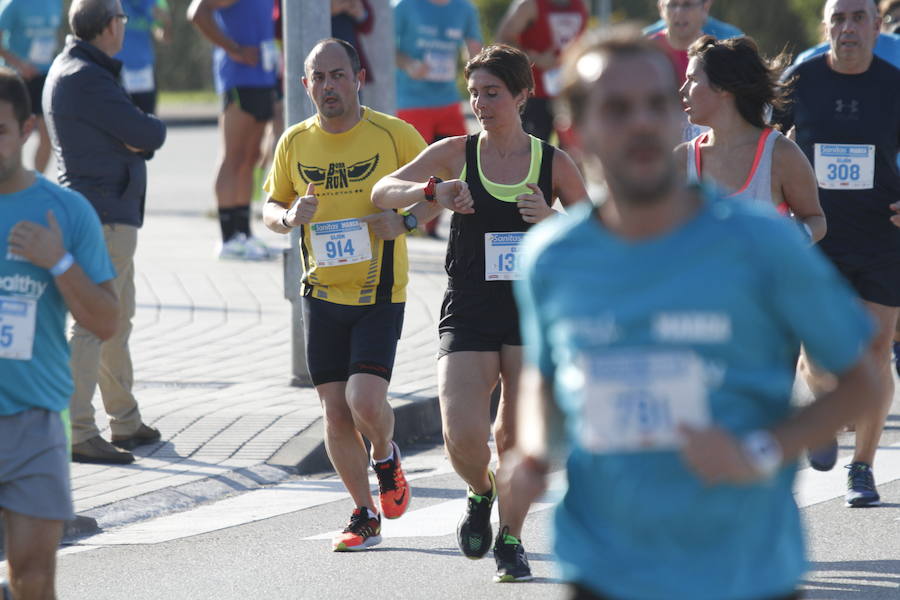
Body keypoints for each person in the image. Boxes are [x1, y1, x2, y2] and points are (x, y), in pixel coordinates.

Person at [503, 25, 881, 600]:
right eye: (617, 108)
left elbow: (865, 381)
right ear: (578, 127)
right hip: (603, 563)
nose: (642, 122)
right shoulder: (551, 258)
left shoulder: (763, 242)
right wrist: (533, 452)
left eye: (656, 103)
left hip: (742, 566)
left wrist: (761, 449)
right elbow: (544, 377)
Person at [372, 44, 587, 582]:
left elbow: (598, 235)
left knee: (515, 436)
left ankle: (511, 540)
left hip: (529, 313)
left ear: (521, 94)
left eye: (492, 93)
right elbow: (381, 192)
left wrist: (552, 220)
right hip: (468, 307)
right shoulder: (455, 152)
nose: (481, 103)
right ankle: (480, 491)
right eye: (474, 94)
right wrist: (433, 190)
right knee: (462, 433)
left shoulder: (552, 162)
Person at [262, 38, 436, 552]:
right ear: (305, 85)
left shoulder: (394, 135)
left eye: (338, 75)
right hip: (321, 293)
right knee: (335, 413)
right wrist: (289, 217)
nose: (329, 86)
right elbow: (271, 204)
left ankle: (385, 452)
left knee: (364, 399)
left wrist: (403, 220)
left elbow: (440, 193)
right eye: (319, 78)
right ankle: (364, 512)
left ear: (358, 76)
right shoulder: (295, 142)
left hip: (379, 293)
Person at [774, 0, 900, 507]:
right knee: (820, 357)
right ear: (825, 27)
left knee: (874, 353)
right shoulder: (799, 82)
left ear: (876, 25)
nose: (848, 28)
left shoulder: (894, 84)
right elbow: (765, 143)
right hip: (816, 238)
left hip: (882, 238)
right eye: (839, 19)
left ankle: (862, 469)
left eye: (858, 18)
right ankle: (820, 403)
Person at [0, 67, 117, 600]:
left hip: (34, 422)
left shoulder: (67, 212)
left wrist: (59, 261)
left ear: (26, 129)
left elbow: (106, 320)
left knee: (34, 576)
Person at [44, 0, 167, 465]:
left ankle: (125, 420)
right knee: (95, 323)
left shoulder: (77, 67)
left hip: (104, 210)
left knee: (116, 319)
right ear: (106, 27)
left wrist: (134, 135)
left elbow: (133, 133)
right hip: (103, 215)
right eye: (121, 18)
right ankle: (78, 429)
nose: (125, 25)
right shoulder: (85, 77)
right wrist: (140, 134)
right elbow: (147, 132)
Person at [676, 35, 826, 242]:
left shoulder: (782, 154)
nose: (682, 90)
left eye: (692, 79)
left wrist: (789, 243)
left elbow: (816, 219)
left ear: (722, 87)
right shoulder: (681, 159)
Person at [188, 0, 277, 260]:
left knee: (250, 158)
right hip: (238, 79)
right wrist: (234, 49)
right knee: (233, 156)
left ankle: (244, 234)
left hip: (264, 76)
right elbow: (197, 12)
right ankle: (227, 238)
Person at [394, 0, 483, 238]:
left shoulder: (464, 8)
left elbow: (475, 46)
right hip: (411, 99)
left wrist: (477, 75)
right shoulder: (405, 6)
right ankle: (404, 218)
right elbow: (385, 47)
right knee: (414, 164)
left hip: (447, 98)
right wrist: (410, 64)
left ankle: (431, 225)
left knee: (460, 160)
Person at [495, 0, 588, 142]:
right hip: (534, 93)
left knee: (574, 153)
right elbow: (502, 40)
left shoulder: (581, 5)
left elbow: (581, 42)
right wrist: (536, 58)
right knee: (531, 153)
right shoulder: (529, 5)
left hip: (568, 91)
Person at [0, 0, 62, 174]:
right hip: (16, 78)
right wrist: (19, 64)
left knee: (48, 133)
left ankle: (36, 182)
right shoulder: (14, 4)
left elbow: (53, 36)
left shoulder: (55, 3)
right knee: (11, 134)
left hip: (43, 76)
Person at [115, 0, 172, 115]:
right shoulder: (111, 3)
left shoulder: (154, 2)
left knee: (148, 121)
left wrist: (166, 22)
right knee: (118, 120)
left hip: (144, 69)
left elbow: (165, 37)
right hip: (117, 69)